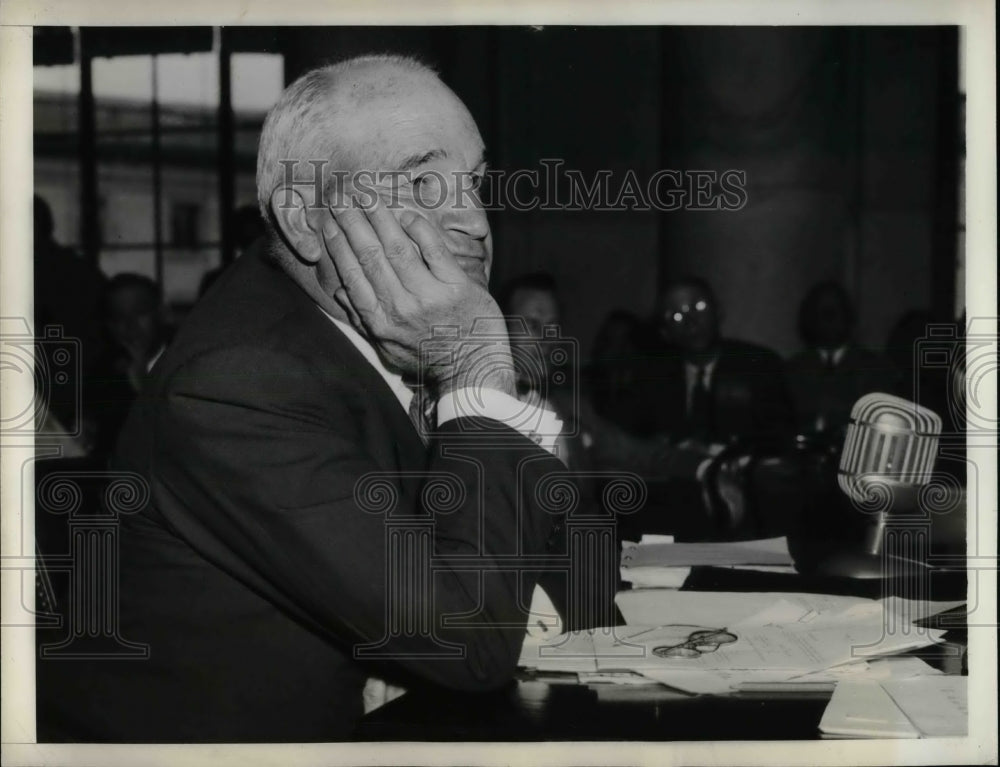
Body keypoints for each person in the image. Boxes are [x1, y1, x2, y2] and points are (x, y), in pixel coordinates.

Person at [41, 55, 580, 743]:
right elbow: (466, 636)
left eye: (473, 184)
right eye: (422, 181)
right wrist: (476, 365)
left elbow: (535, 576)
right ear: (303, 216)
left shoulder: (361, 336)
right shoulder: (238, 380)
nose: (473, 221)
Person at [641, 276, 794, 450]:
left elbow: (781, 436)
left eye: (699, 307)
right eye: (676, 316)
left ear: (718, 311)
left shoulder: (758, 366)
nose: (691, 322)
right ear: (664, 333)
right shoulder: (653, 378)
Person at [786, 281, 896, 443]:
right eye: (821, 313)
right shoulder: (793, 369)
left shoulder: (875, 368)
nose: (829, 321)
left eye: (835, 312)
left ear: (850, 318)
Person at [84, 273, 170, 459]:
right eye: (118, 318)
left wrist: (144, 386)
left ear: (162, 313)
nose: (130, 326)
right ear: (108, 326)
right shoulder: (102, 371)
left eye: (139, 313)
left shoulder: (189, 362)